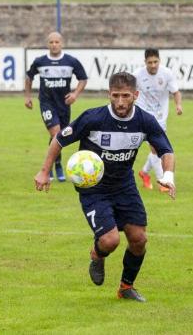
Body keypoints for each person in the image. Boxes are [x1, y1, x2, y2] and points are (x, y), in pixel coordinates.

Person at [33, 72, 177, 303]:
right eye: (116, 95)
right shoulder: (93, 118)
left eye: (126, 96)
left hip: (124, 185)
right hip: (94, 188)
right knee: (110, 241)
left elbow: (167, 151)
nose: (120, 102)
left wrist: (168, 175)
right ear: (109, 94)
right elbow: (59, 139)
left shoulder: (144, 121)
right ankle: (96, 254)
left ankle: (126, 287)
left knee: (139, 239)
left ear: (135, 96)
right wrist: (44, 171)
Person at [25, 32, 88, 182]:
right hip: (47, 103)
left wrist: (75, 95)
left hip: (64, 104)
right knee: (56, 133)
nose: (54, 45)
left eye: (56, 42)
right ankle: (55, 165)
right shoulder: (40, 61)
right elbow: (29, 77)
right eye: (51, 42)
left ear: (62, 43)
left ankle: (55, 162)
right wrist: (27, 96)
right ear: (48, 44)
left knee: (60, 136)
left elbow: (83, 79)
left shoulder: (70, 61)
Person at [134, 49, 183, 192]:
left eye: (156, 61)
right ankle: (163, 181)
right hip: (144, 115)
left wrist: (178, 105)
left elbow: (176, 92)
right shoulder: (137, 75)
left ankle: (144, 172)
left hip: (161, 117)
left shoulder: (166, 73)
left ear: (159, 60)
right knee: (156, 148)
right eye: (150, 62)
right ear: (145, 62)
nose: (153, 65)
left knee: (157, 148)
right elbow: (129, 91)